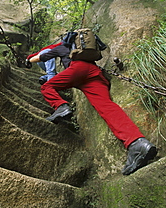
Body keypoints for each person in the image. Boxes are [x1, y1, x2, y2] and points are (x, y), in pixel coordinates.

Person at [28, 38, 157, 176]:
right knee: (107, 108)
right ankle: (137, 143)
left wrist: (28, 59)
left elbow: (41, 57)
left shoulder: (62, 47)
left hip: (78, 69)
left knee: (47, 87)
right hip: (94, 73)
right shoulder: (79, 50)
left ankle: (61, 106)